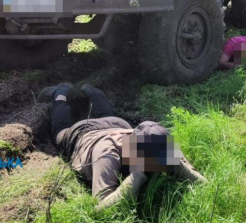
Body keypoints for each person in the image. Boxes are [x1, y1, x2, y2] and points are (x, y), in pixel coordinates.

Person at [41, 83, 206, 209]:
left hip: (118, 125)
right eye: (155, 162)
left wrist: (176, 165)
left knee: (108, 115)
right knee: (60, 131)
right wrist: (136, 178)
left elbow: (201, 182)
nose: (159, 166)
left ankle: (92, 91)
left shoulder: (156, 139)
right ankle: (60, 94)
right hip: (85, 133)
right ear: (136, 157)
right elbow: (101, 207)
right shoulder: (106, 155)